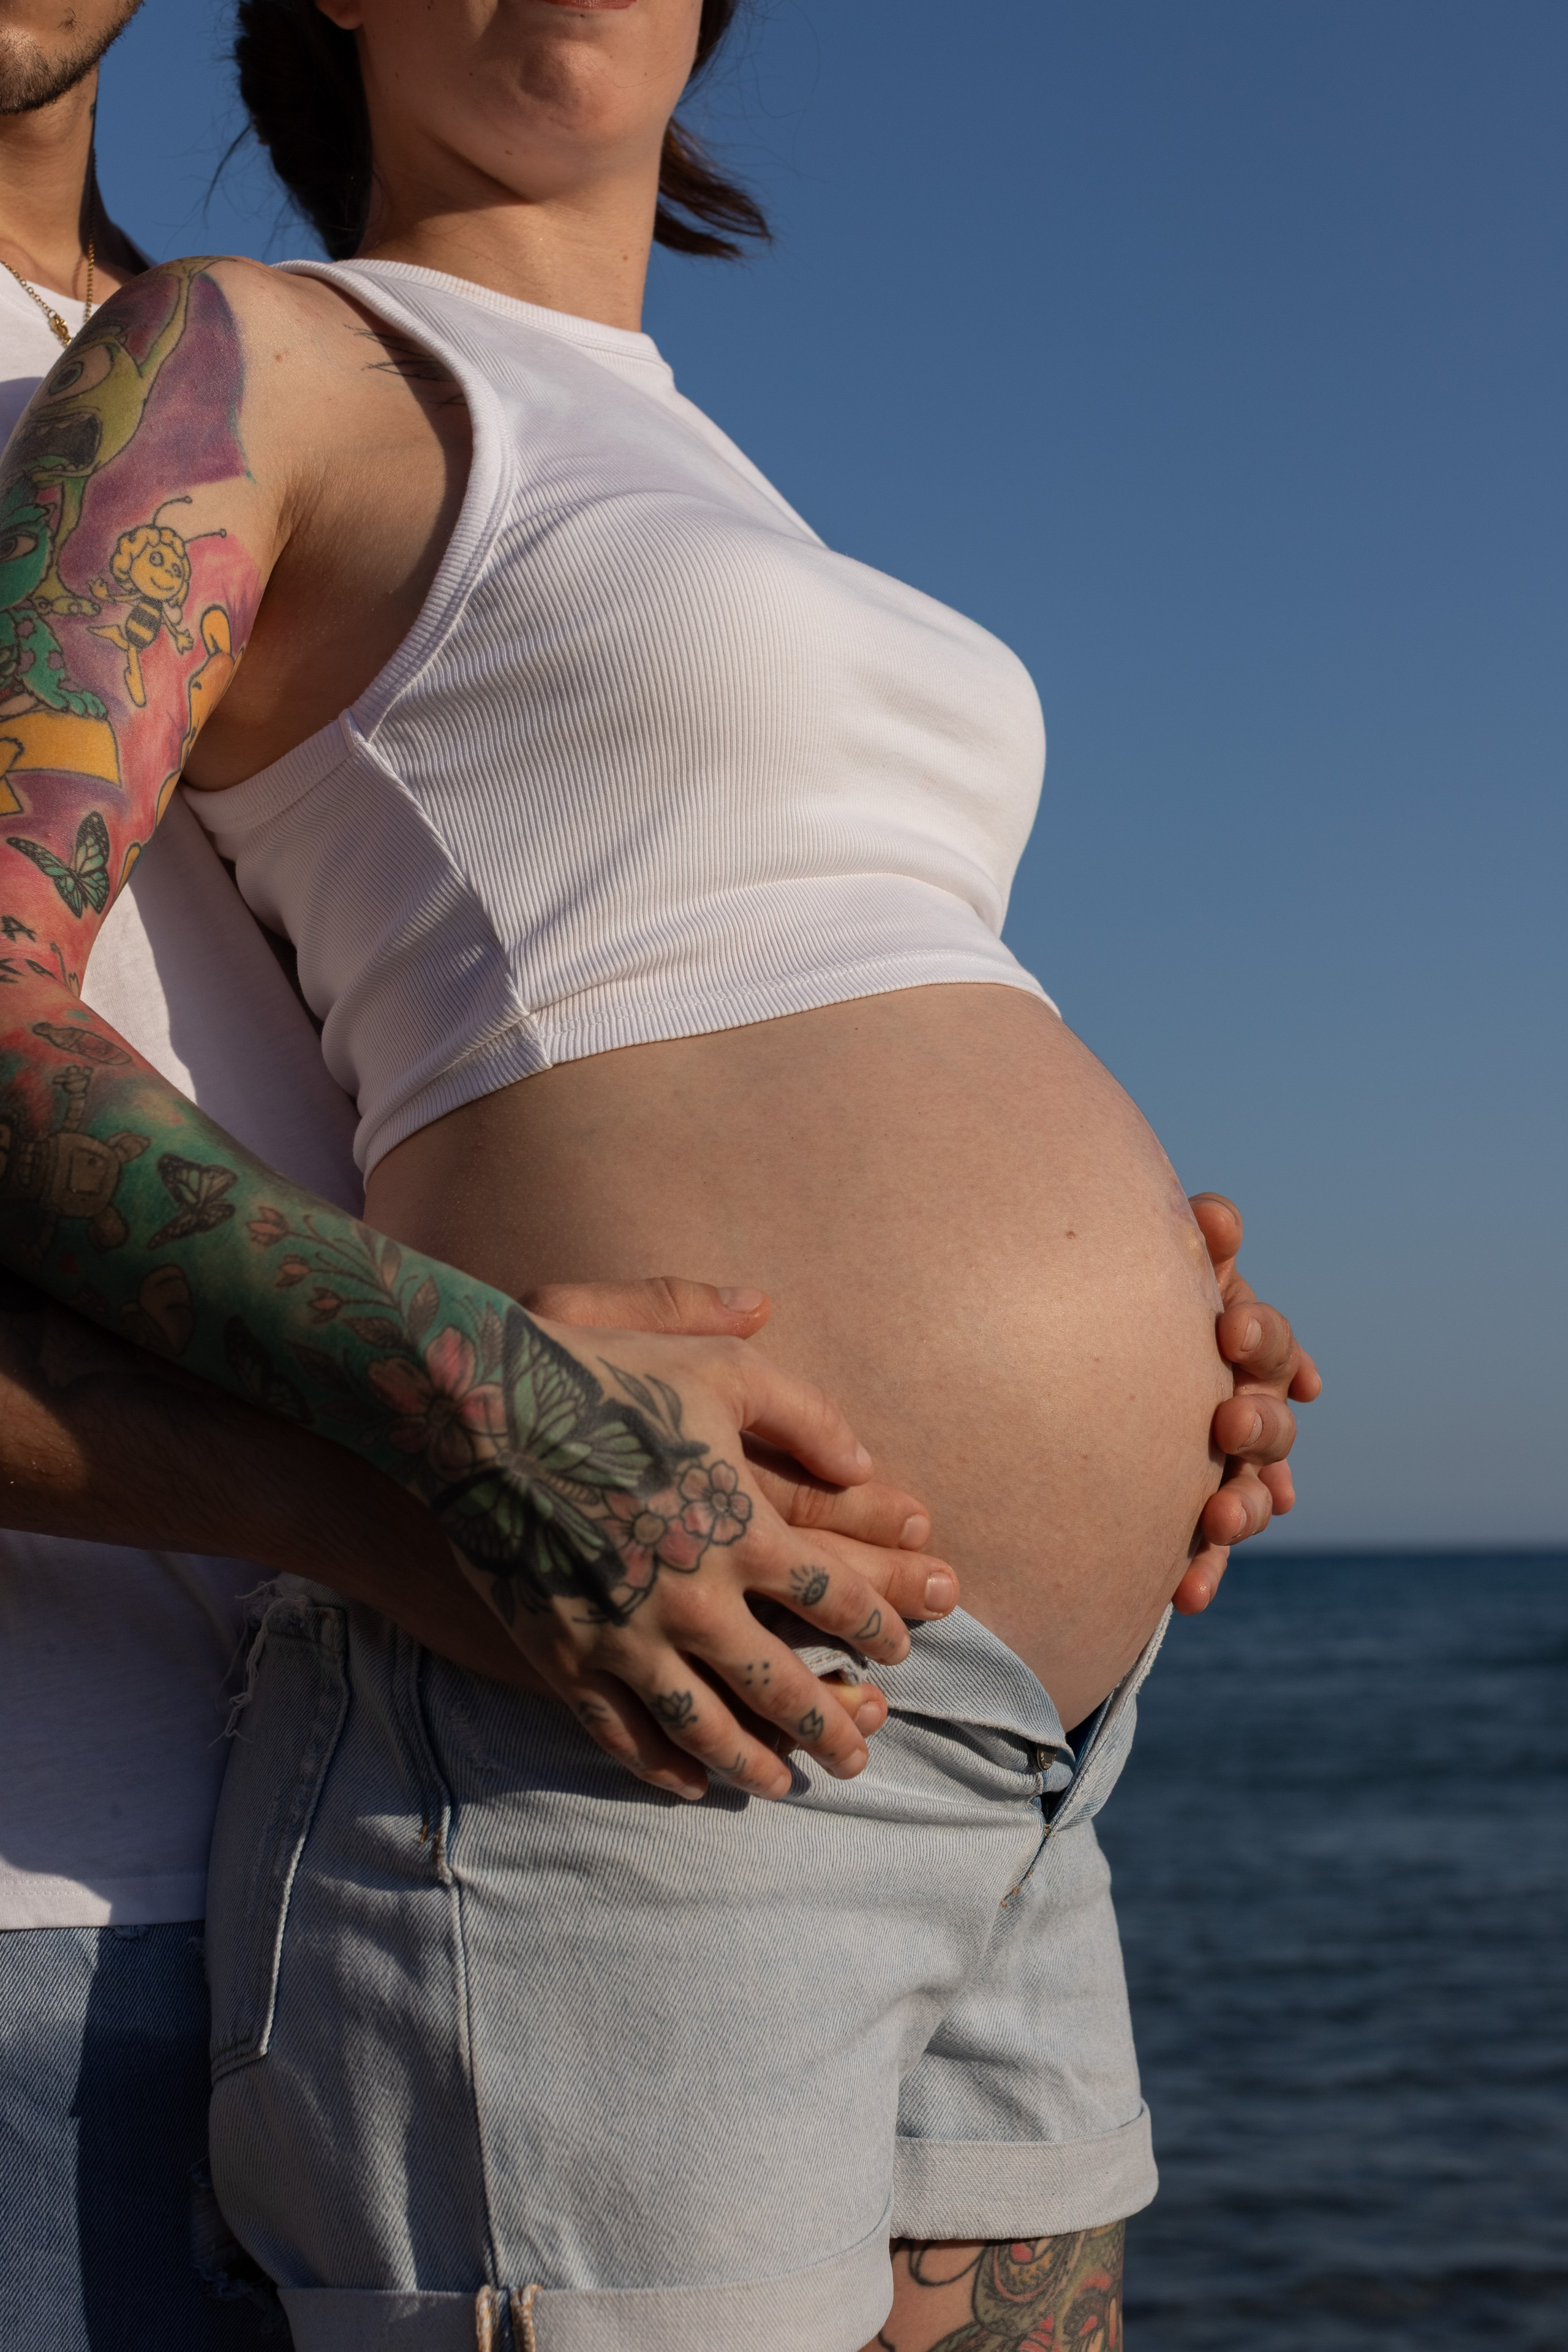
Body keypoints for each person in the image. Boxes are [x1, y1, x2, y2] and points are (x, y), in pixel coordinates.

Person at [0, 0, 1321, 2344]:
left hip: (1012, 1743)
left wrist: (1131, 1313)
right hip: (612, 1698)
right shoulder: (249, 357)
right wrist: (461, 1385)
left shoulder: (715, 469)